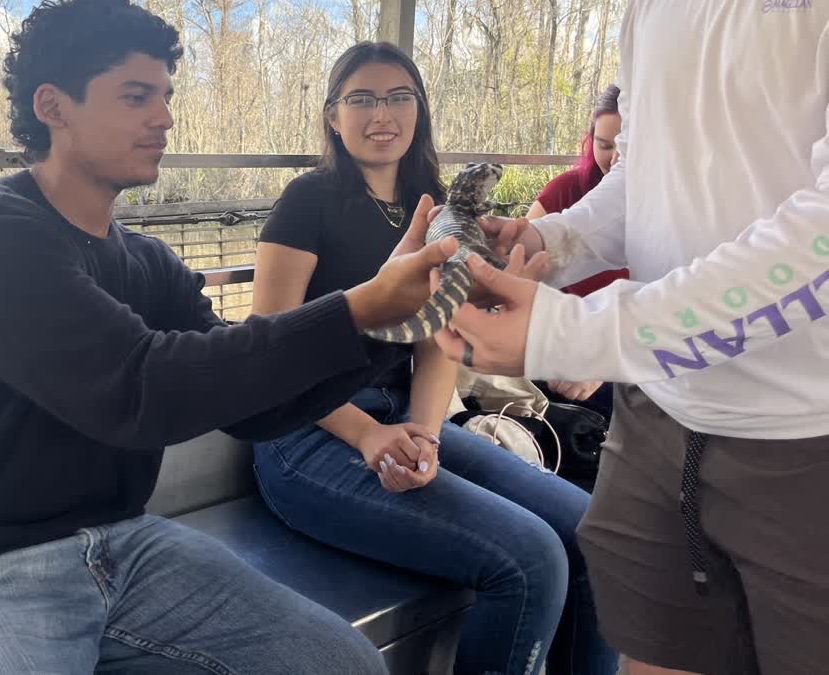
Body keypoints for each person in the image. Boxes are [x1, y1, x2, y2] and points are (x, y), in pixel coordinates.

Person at [0, 0, 464, 673]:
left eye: (165, 96)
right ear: (54, 106)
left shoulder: (148, 263)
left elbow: (257, 405)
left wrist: (391, 320)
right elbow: (140, 388)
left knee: (347, 665)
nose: (164, 118)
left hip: (122, 548)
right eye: (136, 96)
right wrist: (357, 308)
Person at [431, 0, 829, 674]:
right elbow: (646, 173)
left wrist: (575, 330)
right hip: (652, 430)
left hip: (808, 443)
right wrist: (556, 247)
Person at [249, 41, 618, 675]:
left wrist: (425, 433)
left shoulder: (438, 201)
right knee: (530, 560)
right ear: (333, 115)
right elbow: (266, 351)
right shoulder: (308, 200)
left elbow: (436, 337)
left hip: (407, 415)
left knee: (593, 533)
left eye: (399, 96)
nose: (380, 113)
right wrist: (369, 435)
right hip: (307, 430)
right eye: (360, 98)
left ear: (419, 110)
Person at [526, 84, 629, 412]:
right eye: (605, 145)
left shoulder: (666, 210)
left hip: (624, 346)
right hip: (560, 340)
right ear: (590, 140)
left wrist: (605, 359)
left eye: (626, 148)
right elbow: (523, 274)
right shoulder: (564, 190)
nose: (614, 159)